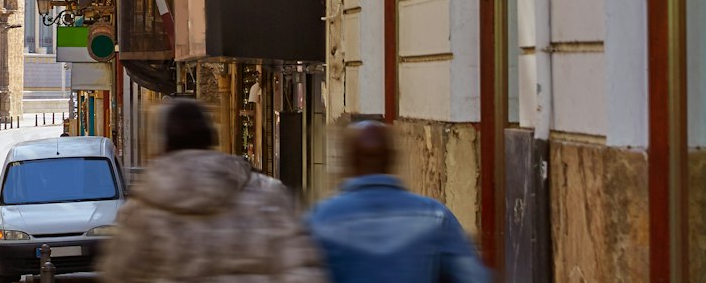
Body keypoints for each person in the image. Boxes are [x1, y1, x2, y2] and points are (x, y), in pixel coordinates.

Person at [101, 98, 325, 283]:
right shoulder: (268, 200)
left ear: (162, 146)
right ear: (211, 140)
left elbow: (119, 275)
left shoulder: (142, 215)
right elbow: (302, 271)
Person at [305, 121, 487, 283]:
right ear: (391, 160)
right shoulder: (436, 217)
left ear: (349, 161)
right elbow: (472, 276)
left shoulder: (321, 219)